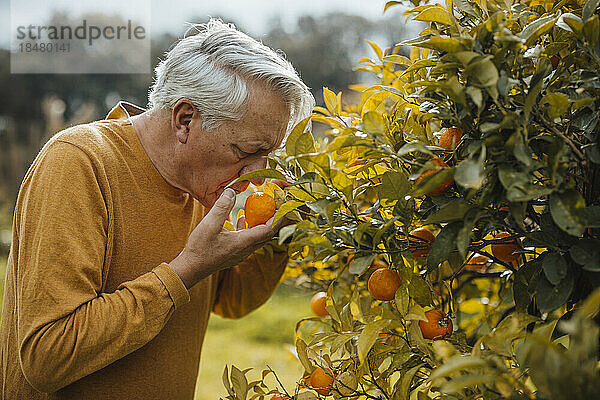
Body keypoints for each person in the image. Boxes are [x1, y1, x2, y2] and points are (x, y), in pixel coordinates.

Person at [0, 19, 314, 399]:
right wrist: (185, 270)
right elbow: (46, 356)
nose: (260, 172)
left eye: (268, 155)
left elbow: (232, 301)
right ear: (185, 120)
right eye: (248, 151)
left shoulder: (204, 185)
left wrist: (276, 238)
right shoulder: (80, 162)